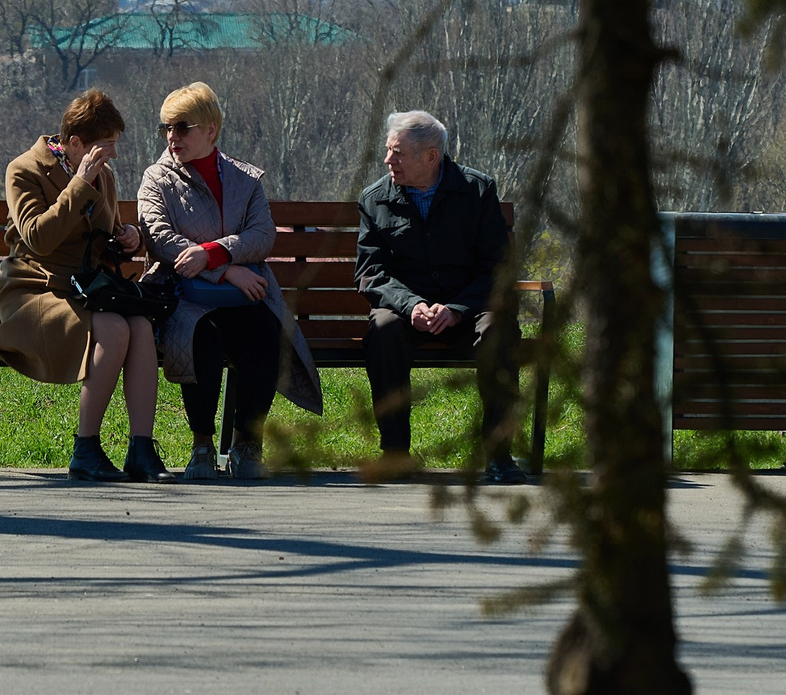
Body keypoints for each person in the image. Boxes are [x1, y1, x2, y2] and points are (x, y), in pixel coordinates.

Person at [138, 82, 322, 481]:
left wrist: (215, 253)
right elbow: (159, 237)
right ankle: (201, 446)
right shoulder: (156, 178)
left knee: (265, 335)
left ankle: (246, 445)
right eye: (166, 128)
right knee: (199, 338)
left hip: (245, 297)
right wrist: (224, 269)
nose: (173, 137)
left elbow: (263, 236)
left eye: (182, 127)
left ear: (210, 129)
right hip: (183, 296)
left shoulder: (246, 179)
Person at [0, 88, 173, 483]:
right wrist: (80, 182)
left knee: (140, 327)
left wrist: (129, 237)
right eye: (103, 146)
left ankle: (141, 449)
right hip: (34, 292)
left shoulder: (102, 175)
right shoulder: (24, 170)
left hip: (84, 289)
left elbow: (107, 236)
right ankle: (85, 448)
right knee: (112, 327)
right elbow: (38, 238)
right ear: (74, 143)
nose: (110, 155)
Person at [355, 109, 529, 484]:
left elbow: (497, 268)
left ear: (431, 156)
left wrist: (457, 308)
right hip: (407, 314)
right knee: (383, 329)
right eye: (388, 151)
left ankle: (499, 456)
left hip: (469, 311)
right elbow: (371, 273)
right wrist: (411, 305)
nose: (388, 160)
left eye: (397, 153)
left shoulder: (477, 191)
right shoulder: (375, 199)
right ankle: (395, 454)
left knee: (499, 330)